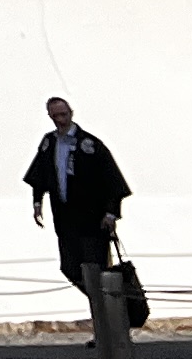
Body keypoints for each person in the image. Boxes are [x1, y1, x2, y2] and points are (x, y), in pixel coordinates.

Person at [27, 96, 145, 325]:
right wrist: (37, 201)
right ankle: (105, 310)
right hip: (65, 219)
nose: (60, 120)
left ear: (71, 113)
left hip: (92, 219)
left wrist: (111, 212)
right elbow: (40, 173)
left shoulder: (89, 144)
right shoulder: (49, 142)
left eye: (63, 114)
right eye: (55, 116)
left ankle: (111, 321)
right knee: (71, 268)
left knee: (96, 270)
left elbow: (112, 179)